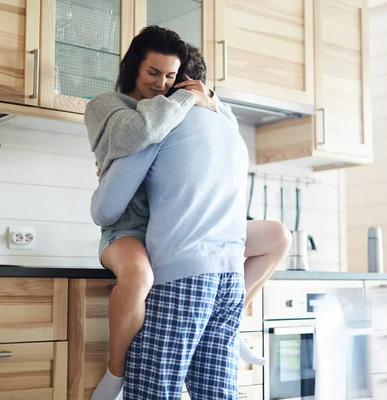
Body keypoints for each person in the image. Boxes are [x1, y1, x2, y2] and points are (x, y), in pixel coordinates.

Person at [86, 26, 291, 400]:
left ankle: (235, 322)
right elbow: (110, 207)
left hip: (185, 253)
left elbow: (104, 204)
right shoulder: (123, 109)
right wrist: (191, 101)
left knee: (156, 391)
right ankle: (115, 372)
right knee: (137, 276)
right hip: (137, 231)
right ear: (135, 67)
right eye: (153, 73)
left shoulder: (198, 118)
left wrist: (208, 99)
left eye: (170, 77)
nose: (161, 85)